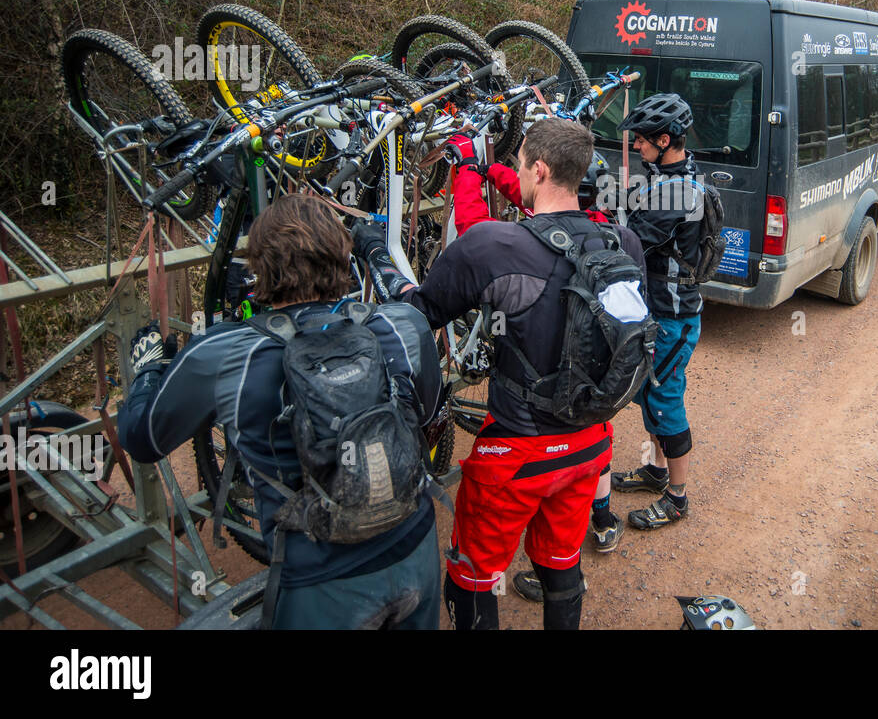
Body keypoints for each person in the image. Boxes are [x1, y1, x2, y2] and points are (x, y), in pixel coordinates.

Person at [354, 118, 647, 630]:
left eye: (518, 164)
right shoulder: (623, 243)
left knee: (472, 572)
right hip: (591, 443)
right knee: (560, 562)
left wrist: (377, 253)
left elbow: (419, 313)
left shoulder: (496, 245)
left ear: (537, 168)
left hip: (517, 453)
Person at [117, 194, 443, 629]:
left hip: (319, 580)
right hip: (415, 549)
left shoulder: (226, 352)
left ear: (258, 266)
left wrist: (148, 368)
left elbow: (143, 439)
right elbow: (427, 420)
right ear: (342, 257)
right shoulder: (400, 324)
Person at [608, 93, 705, 531]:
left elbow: (629, 242)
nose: (638, 147)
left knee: (666, 400)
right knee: (649, 392)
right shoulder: (671, 174)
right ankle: (657, 471)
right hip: (659, 312)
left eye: (644, 141)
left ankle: (677, 498)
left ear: (665, 140)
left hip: (674, 316)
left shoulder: (678, 192)